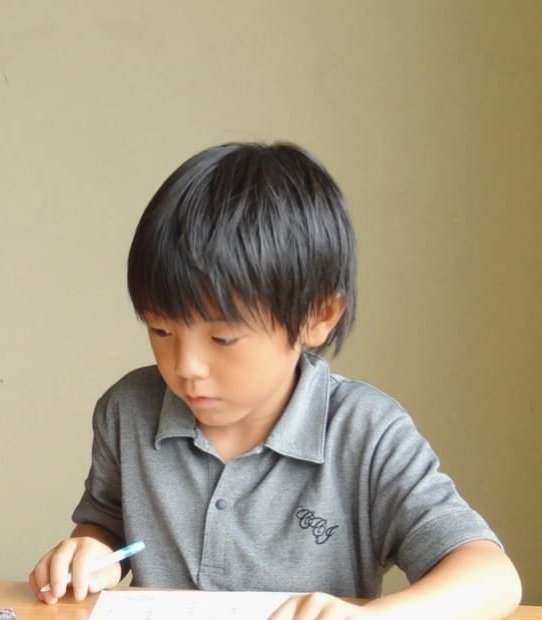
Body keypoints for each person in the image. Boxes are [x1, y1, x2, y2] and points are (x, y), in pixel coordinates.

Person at [29, 142, 521, 618]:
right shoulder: (128, 411)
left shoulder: (367, 433)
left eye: (223, 339)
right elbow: (109, 524)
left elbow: (493, 577)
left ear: (318, 316)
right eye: (161, 329)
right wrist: (90, 552)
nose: (186, 366)